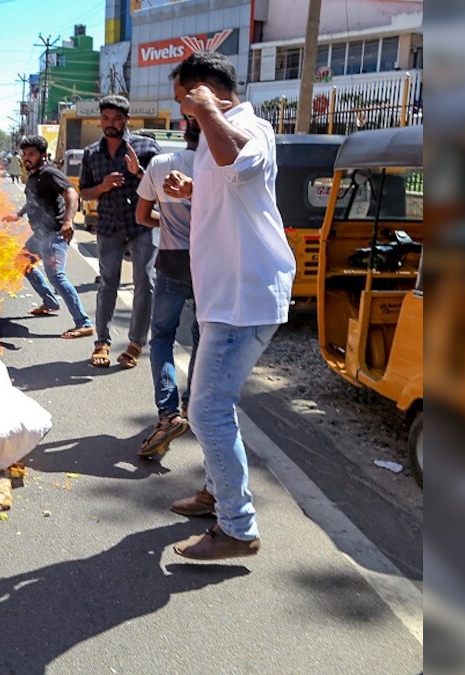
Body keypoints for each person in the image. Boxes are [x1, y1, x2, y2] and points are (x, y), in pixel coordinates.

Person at [162, 52, 296, 560]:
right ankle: (217, 494)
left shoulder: (249, 127)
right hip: (225, 295)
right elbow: (235, 189)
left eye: (185, 101)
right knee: (208, 402)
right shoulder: (214, 135)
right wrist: (192, 189)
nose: (183, 114)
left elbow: (241, 164)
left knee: (207, 408)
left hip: (244, 296)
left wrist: (207, 111)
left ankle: (238, 527)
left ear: (205, 91)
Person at [133, 119, 201, 460]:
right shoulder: (219, 168)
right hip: (210, 266)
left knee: (161, 337)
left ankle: (168, 413)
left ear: (184, 134)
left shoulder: (160, 165)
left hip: (172, 262)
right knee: (203, 336)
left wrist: (170, 219)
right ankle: (192, 406)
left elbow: (143, 216)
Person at [78, 96, 162, 369]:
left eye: (116, 119)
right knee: (107, 282)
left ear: (126, 119)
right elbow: (84, 191)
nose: (110, 124)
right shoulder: (91, 153)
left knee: (145, 281)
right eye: (105, 118)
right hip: (109, 226)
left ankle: (136, 343)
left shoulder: (146, 146)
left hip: (142, 224)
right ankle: (101, 342)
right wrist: (101, 187)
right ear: (100, 120)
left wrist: (138, 173)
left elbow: (160, 185)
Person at [3, 135, 94, 340]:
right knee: (22, 263)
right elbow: (35, 201)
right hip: (40, 235)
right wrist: (18, 215)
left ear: (43, 155)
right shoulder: (35, 176)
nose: (27, 158)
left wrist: (68, 221)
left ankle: (83, 323)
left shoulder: (49, 173)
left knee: (56, 277)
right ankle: (51, 302)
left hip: (54, 235)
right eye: (25, 154)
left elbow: (71, 193)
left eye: (32, 154)